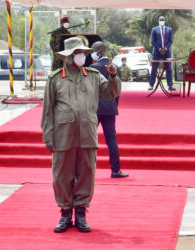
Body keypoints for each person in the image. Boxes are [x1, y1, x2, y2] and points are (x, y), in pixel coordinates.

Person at [41, 37, 121, 233]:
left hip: (87, 132)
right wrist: (48, 136)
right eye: (78, 53)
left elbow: (110, 93)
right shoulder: (55, 78)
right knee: (62, 175)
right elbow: (47, 110)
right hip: (63, 134)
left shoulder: (94, 76)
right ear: (68, 57)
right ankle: (66, 213)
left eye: (83, 53)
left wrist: (113, 77)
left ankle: (82, 212)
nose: (82, 57)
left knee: (86, 173)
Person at [90, 41, 129, 178]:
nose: (91, 53)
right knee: (111, 140)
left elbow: (90, 90)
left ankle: (87, 170)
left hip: (94, 108)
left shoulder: (93, 67)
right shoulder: (116, 68)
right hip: (110, 108)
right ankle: (115, 169)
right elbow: (117, 90)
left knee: (89, 140)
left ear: (100, 51)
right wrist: (113, 105)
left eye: (93, 50)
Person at [149, 16, 175, 91]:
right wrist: (160, 49)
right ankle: (151, 85)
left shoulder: (169, 30)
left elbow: (171, 41)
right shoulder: (154, 30)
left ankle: (170, 85)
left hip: (167, 52)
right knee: (154, 68)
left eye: (163, 20)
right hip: (157, 52)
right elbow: (152, 41)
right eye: (160, 20)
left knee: (168, 68)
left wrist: (165, 48)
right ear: (158, 21)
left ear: (165, 21)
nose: (161, 21)